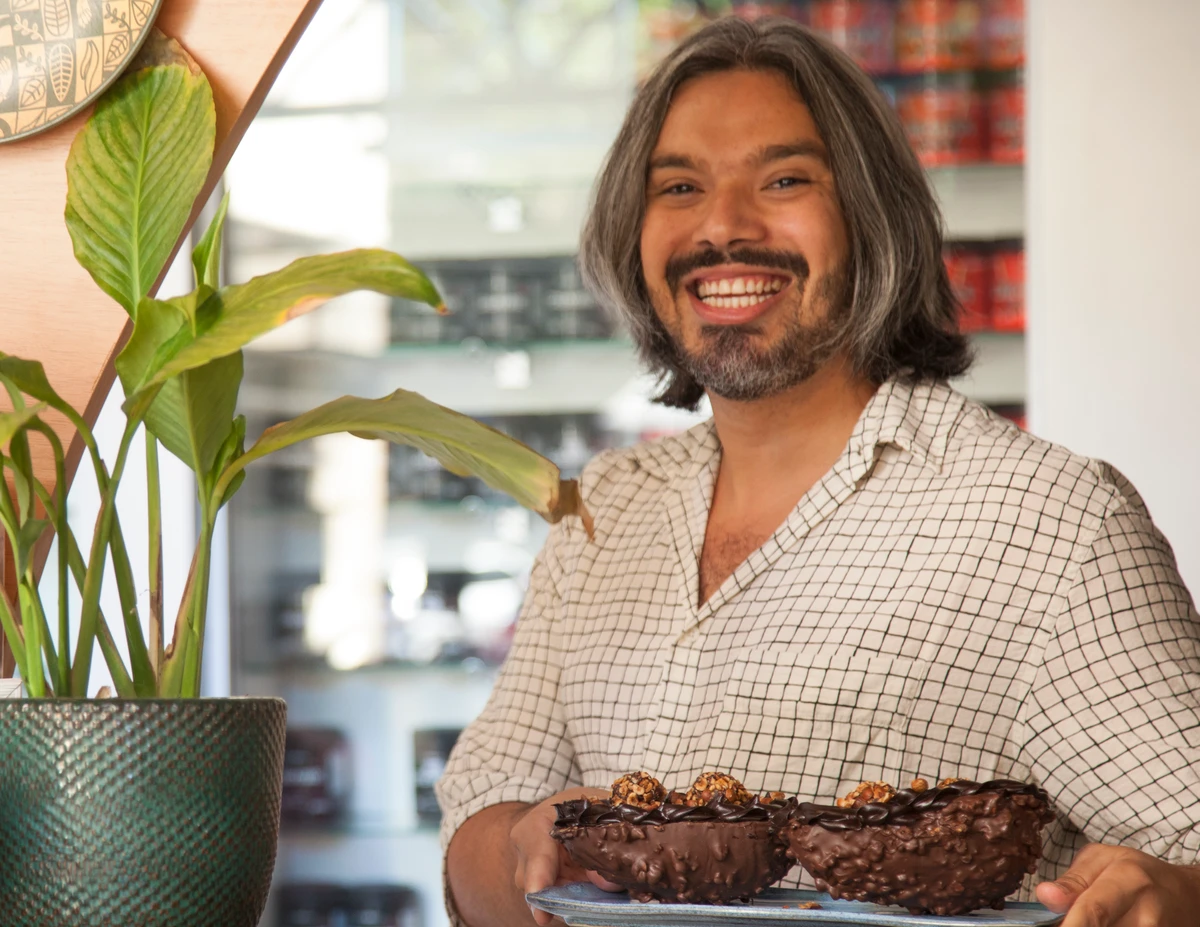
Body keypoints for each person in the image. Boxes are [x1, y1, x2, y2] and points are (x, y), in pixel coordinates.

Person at [437, 16, 1200, 927]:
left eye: (784, 179)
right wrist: (526, 838)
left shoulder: (1053, 522)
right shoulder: (605, 507)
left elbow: (1185, 854)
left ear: (869, 215)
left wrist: (1166, 892)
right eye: (678, 186)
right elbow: (473, 851)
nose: (721, 226)